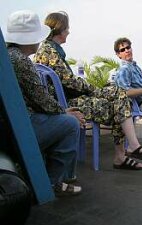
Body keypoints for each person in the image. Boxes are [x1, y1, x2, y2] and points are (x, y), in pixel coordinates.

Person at [34, 11, 142, 170]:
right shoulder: (49, 51)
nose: (69, 32)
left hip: (67, 97)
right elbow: (69, 81)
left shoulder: (49, 49)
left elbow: (66, 80)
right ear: (60, 29)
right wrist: (93, 89)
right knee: (119, 101)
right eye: (67, 28)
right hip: (67, 103)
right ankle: (123, 154)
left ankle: (128, 150)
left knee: (119, 95)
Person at [5, 10, 83, 196]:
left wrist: (61, 111)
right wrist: (64, 112)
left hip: (9, 125)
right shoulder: (20, 61)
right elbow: (42, 100)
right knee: (71, 124)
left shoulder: (8, 56)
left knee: (64, 119)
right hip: (17, 129)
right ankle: (51, 183)